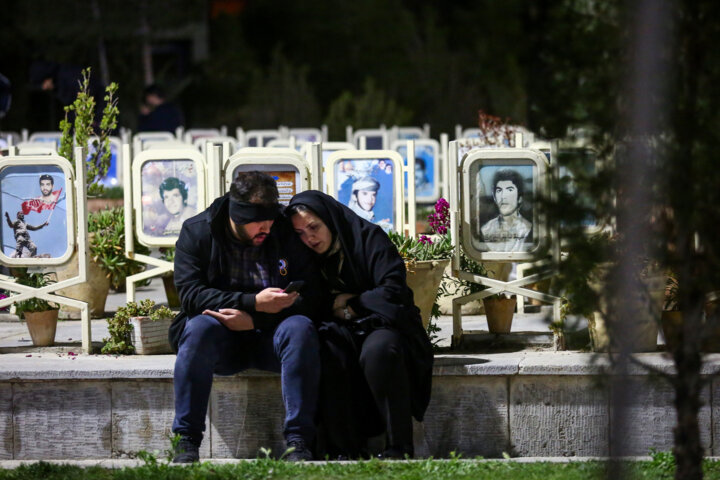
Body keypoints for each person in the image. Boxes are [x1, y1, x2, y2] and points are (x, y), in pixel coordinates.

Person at [168, 171, 324, 463]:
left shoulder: (283, 231)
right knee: (198, 327)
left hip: (271, 336)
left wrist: (255, 319)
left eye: (269, 221)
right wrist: (252, 302)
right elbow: (190, 295)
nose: (265, 229)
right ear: (236, 217)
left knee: (300, 328)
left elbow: (313, 295)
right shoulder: (198, 231)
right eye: (256, 223)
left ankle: (299, 442)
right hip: (221, 339)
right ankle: (186, 441)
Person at [287, 190, 433, 460]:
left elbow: (392, 291)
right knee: (328, 350)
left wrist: (351, 303)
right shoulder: (304, 255)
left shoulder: (368, 238)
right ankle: (342, 448)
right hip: (338, 328)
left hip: (383, 323)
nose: (309, 238)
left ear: (330, 219)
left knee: (380, 352)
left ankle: (398, 447)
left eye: (314, 227)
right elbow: (311, 301)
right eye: (300, 233)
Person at [480, 168, 532, 252]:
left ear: (520, 198)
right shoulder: (486, 229)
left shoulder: (527, 229)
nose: (503, 196)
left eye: (509, 190)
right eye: (499, 190)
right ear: (494, 197)